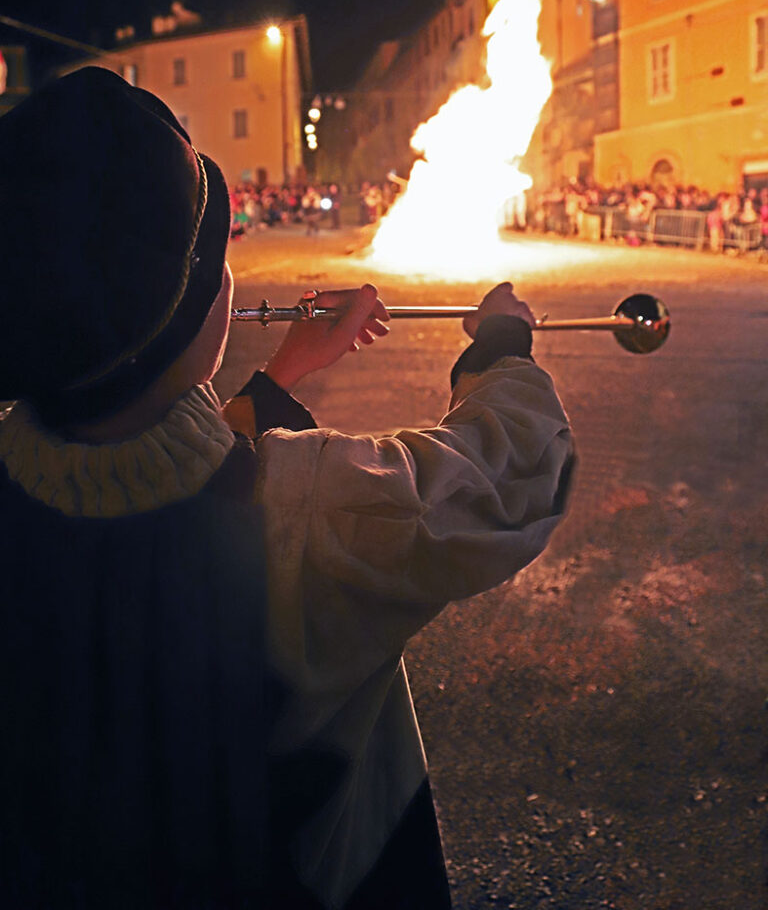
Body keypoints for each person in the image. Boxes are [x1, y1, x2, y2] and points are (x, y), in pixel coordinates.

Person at [0, 68, 575, 909]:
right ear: (198, 309)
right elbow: (505, 478)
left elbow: (139, 483)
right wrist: (500, 353)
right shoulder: (306, 516)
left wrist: (282, 374)